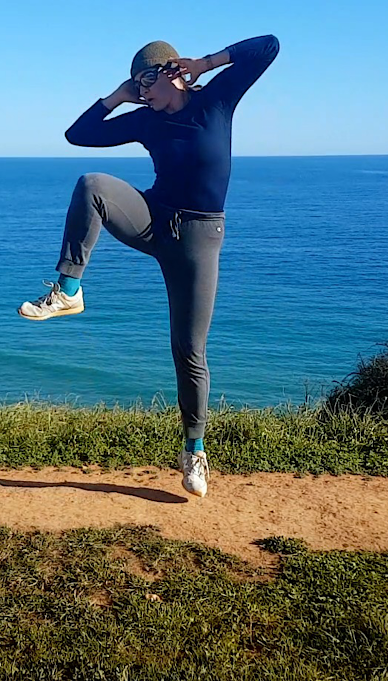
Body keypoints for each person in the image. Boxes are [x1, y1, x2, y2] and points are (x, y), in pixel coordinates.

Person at [18, 34, 280, 498]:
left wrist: (206, 63)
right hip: (153, 220)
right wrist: (118, 96)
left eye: (145, 82)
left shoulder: (215, 102)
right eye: (136, 86)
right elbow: (79, 135)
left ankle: (194, 450)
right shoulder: (145, 119)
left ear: (171, 72)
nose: (142, 94)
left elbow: (268, 47)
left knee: (189, 349)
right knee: (92, 185)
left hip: (199, 238)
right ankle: (68, 290)